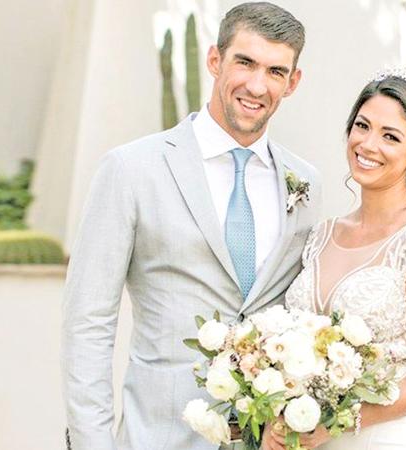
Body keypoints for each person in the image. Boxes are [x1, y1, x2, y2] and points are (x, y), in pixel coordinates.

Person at [61, 3, 321, 449]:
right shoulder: (131, 169)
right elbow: (88, 322)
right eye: (245, 62)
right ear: (216, 60)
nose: (257, 86)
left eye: (276, 71)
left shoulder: (305, 184)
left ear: (292, 82)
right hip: (156, 436)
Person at [264, 69, 406, 449]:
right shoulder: (321, 235)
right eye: (362, 126)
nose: (369, 144)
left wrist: (343, 419)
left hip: (379, 437)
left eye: (390, 137)